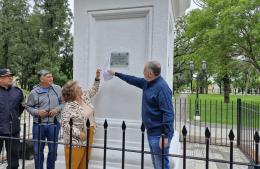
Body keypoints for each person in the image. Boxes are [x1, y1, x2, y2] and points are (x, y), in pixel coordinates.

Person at [108, 61, 174, 169]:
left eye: (144, 70)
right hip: (152, 132)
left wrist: (165, 136)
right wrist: (116, 73)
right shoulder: (147, 83)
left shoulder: (162, 88)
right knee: (156, 163)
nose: (142, 73)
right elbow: (132, 79)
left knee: (161, 164)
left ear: (150, 73)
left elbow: (168, 113)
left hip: (159, 134)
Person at [61, 69, 101, 169]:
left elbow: (94, 89)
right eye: (78, 87)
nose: (81, 88)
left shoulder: (84, 96)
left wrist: (97, 78)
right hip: (75, 140)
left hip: (89, 131)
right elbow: (65, 124)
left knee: (84, 163)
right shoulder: (69, 106)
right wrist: (79, 133)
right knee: (73, 165)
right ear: (74, 91)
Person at [26, 69, 63, 169]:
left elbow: (63, 103)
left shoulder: (58, 89)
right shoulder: (34, 92)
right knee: (38, 151)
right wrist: (37, 112)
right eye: (48, 76)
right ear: (41, 78)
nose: (51, 78)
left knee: (53, 151)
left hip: (54, 125)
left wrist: (57, 109)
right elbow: (28, 106)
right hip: (39, 125)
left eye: (51, 76)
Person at [0, 68, 24, 169]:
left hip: (13, 130)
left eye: (11, 76)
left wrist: (13, 117)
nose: (10, 78)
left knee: (14, 161)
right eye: (7, 76)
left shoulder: (18, 92)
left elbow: (20, 108)